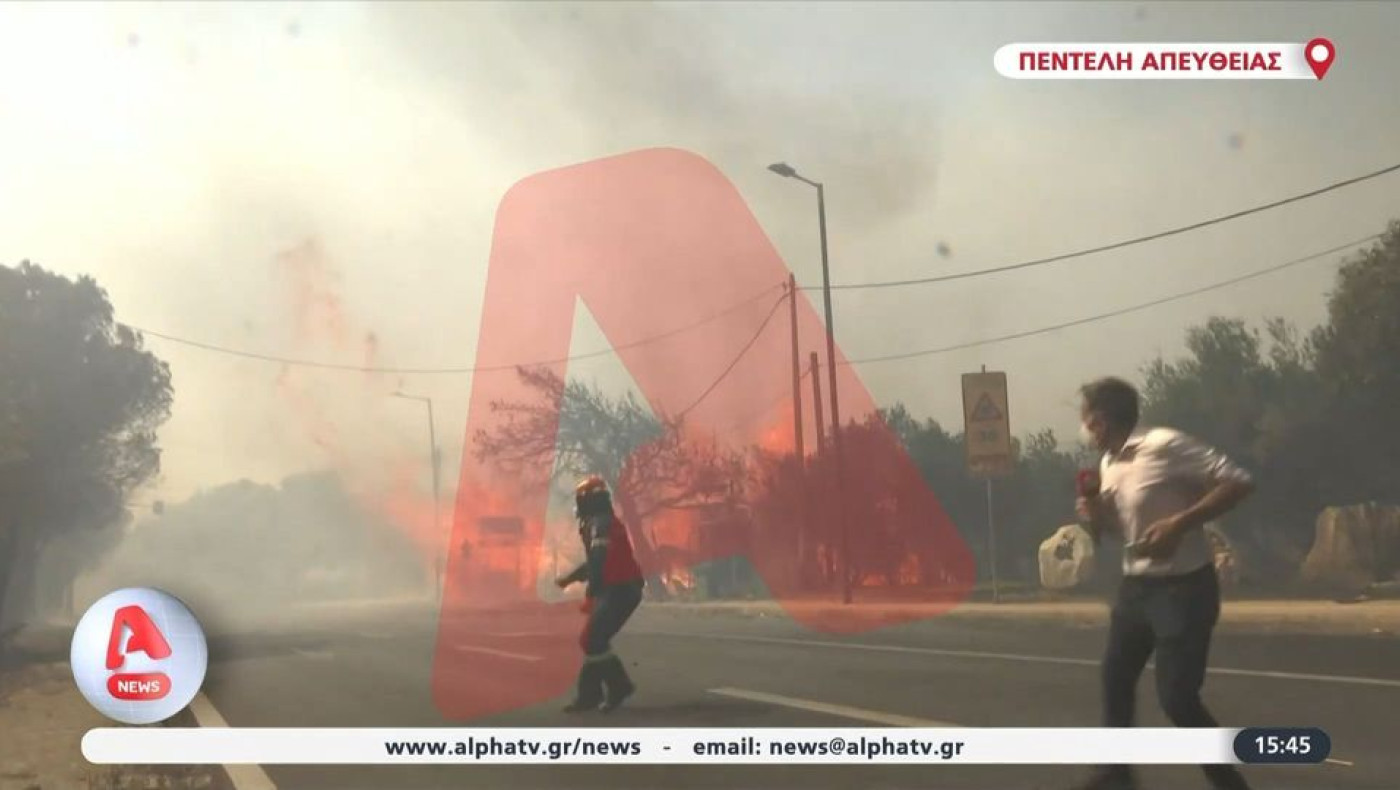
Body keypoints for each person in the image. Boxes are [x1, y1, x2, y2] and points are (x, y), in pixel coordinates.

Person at [1072, 377, 1255, 790]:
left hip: (1185, 589)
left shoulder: (1164, 445)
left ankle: (1228, 782)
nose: (1082, 429)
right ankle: (1115, 775)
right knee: (1115, 676)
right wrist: (1096, 513)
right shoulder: (1107, 464)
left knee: (1178, 699)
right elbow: (1121, 531)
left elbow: (1239, 481)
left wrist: (1180, 523)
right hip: (1137, 589)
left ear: (1100, 420)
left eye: (1085, 420)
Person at [555, 475, 645, 713]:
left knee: (592, 639)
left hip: (621, 590)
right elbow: (596, 560)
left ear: (586, 501)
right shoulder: (601, 521)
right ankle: (593, 695)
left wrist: (591, 589)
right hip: (617, 588)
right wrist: (571, 578)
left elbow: (598, 560)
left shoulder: (599, 524)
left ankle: (616, 687)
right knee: (594, 640)